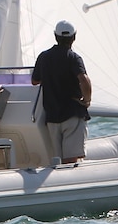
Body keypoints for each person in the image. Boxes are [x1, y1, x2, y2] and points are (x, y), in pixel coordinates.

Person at [31, 20, 92, 164]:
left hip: (52, 116)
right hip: (72, 113)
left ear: (55, 36)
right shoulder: (73, 57)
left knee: (57, 159)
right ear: (74, 37)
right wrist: (87, 100)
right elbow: (84, 80)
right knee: (71, 160)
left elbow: (35, 81)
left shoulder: (43, 57)